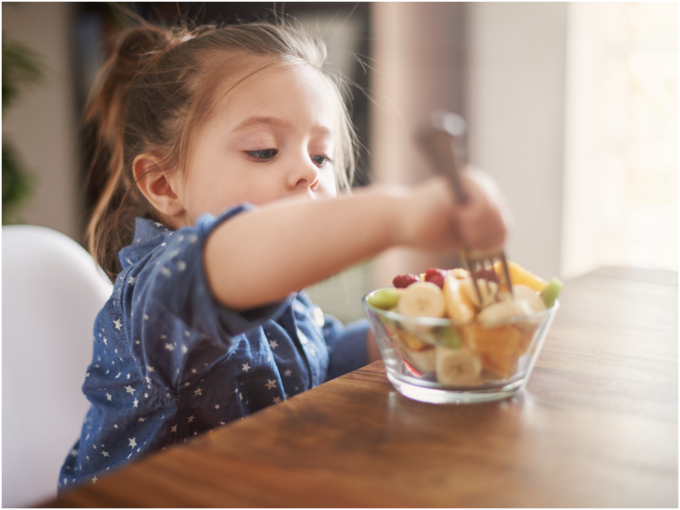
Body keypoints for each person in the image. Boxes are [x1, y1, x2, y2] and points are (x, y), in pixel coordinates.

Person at [58, 19, 509, 493]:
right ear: (164, 185)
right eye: (264, 151)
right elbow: (237, 251)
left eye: (321, 156)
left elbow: (315, 359)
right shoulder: (161, 292)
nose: (306, 173)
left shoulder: (278, 291)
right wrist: (403, 214)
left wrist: (405, 334)